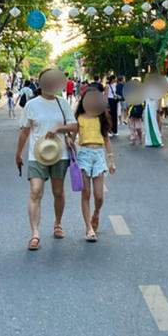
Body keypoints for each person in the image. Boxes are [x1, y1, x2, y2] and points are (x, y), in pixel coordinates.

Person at [16, 69, 75, 251]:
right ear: (40, 83)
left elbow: (75, 126)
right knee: (35, 191)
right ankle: (35, 234)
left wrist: (59, 129)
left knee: (58, 191)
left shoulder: (62, 103)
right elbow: (25, 131)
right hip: (37, 154)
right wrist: (18, 153)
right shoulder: (32, 105)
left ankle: (58, 223)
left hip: (59, 154)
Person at [49, 88, 116, 242]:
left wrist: (111, 161)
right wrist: (68, 140)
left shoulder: (102, 118)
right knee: (85, 194)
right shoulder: (79, 118)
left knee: (99, 197)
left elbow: (106, 140)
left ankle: (96, 213)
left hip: (99, 156)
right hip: (84, 155)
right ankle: (88, 228)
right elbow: (72, 136)